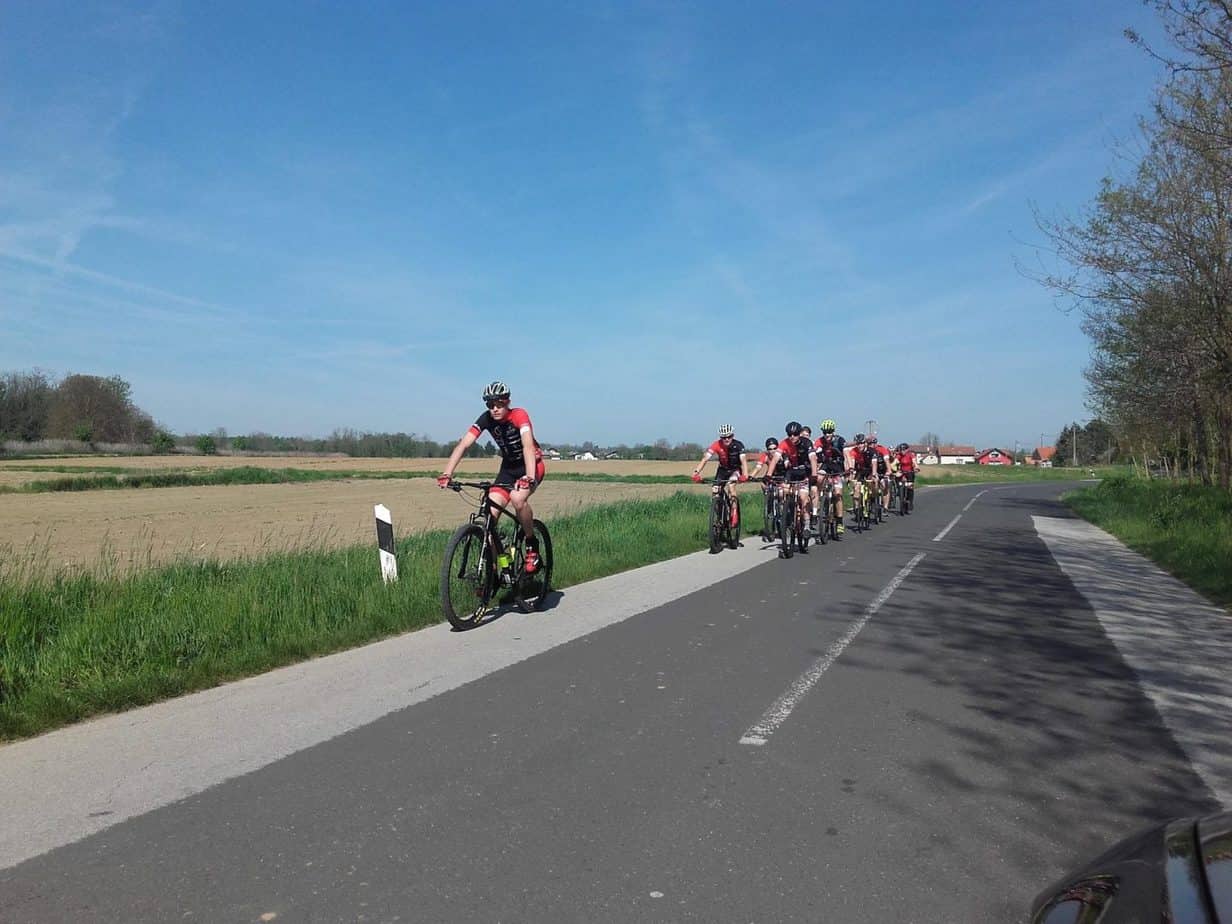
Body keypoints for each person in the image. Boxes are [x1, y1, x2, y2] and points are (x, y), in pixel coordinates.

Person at [438, 381, 545, 573]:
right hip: (508, 469)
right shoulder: (486, 419)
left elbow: (528, 446)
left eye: (499, 404)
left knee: (517, 499)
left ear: (507, 402)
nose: (494, 409)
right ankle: (495, 572)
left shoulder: (519, 415)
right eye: (490, 405)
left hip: (531, 465)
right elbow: (464, 444)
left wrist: (529, 476)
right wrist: (447, 473)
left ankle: (531, 545)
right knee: (489, 519)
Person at [762, 421, 818, 542]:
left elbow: (813, 458)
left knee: (803, 498)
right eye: (790, 434)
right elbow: (775, 459)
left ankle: (807, 525)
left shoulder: (806, 443)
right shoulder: (784, 443)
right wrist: (768, 474)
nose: (792, 437)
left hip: (805, 471)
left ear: (799, 434)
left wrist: (814, 474)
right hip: (791, 472)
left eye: (795, 434)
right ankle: (788, 514)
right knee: (784, 492)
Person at [692, 424, 749, 524]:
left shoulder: (739, 445)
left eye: (729, 437)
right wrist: (696, 472)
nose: (726, 439)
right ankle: (718, 513)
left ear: (733, 436)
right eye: (723, 437)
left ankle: (734, 511)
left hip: (735, 469)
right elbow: (705, 458)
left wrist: (745, 475)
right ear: (720, 437)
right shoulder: (716, 445)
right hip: (722, 470)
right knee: (715, 490)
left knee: (731, 487)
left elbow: (743, 460)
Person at [815, 418, 847, 535]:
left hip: (838, 466)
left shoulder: (840, 440)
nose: (826, 434)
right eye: (824, 432)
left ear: (833, 431)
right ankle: (819, 499)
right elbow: (815, 453)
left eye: (829, 432)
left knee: (838, 494)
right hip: (826, 465)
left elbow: (847, 455)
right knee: (818, 478)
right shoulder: (820, 441)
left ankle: (839, 521)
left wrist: (848, 469)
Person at [893, 442, 916, 509]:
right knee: (898, 481)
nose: (902, 451)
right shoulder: (899, 455)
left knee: (910, 487)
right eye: (901, 450)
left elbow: (914, 462)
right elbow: (895, 462)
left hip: (910, 472)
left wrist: (916, 467)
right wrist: (892, 469)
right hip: (902, 472)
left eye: (903, 449)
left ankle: (910, 501)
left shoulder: (910, 455)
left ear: (907, 450)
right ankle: (900, 492)